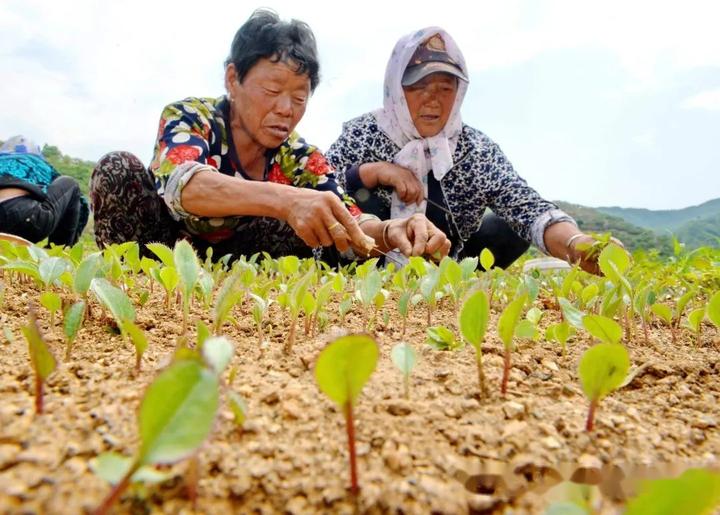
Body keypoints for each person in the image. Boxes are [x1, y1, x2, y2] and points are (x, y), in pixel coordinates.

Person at [90, 10, 450, 265]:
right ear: (233, 79)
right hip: (163, 250)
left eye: (299, 97)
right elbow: (183, 185)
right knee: (116, 170)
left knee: (306, 220)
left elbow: (350, 220)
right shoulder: (191, 117)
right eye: (272, 89)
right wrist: (286, 200)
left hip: (239, 263)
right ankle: (133, 285)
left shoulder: (301, 156)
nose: (285, 109)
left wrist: (391, 231)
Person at [326, 28, 615, 273]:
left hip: (448, 258)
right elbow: (317, 187)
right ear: (396, 89)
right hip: (361, 257)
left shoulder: (473, 150)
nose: (433, 101)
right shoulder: (364, 133)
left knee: (510, 226)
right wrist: (368, 173)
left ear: (459, 92)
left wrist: (577, 244)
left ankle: (453, 274)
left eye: (445, 88)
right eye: (419, 86)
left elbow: (526, 205)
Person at [0, 135, 89, 246]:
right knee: (70, 184)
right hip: (27, 218)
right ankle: (59, 253)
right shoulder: (39, 164)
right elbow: (79, 202)